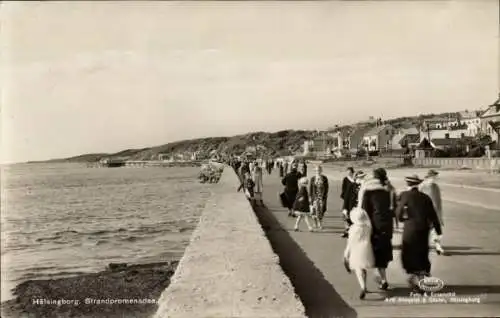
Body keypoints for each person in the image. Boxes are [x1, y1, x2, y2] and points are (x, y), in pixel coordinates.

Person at [396, 175, 442, 291]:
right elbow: (433, 215)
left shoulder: (404, 195)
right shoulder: (425, 197)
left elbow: (399, 213)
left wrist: (402, 219)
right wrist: (438, 230)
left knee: (409, 252)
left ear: (407, 184)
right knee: (422, 253)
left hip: (410, 228)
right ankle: (421, 276)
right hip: (423, 229)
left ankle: (415, 277)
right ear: (418, 184)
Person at [359, 168, 394, 290]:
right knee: (383, 255)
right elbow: (392, 210)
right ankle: (383, 279)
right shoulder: (388, 191)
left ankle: (369, 282)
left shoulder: (368, 192)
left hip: (373, 227)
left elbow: (364, 212)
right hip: (387, 227)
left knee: (370, 253)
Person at [343, 205, 375, 299]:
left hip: (356, 249)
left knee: (358, 269)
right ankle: (365, 286)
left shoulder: (353, 228)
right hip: (366, 248)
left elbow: (350, 242)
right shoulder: (368, 227)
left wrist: (346, 254)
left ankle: (362, 287)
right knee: (364, 267)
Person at [419, 169, 444, 255]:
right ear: (429, 177)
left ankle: (438, 247)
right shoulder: (421, 186)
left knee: (435, 230)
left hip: (434, 212)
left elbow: (439, 201)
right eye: (433, 177)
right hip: (424, 213)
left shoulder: (436, 187)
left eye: (435, 177)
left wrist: (440, 216)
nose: (434, 178)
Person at [342, 170, 366, 238]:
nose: (362, 179)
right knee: (351, 222)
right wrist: (344, 208)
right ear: (356, 178)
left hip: (361, 208)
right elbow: (346, 198)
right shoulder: (351, 186)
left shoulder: (365, 187)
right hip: (352, 207)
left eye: (363, 177)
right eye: (360, 177)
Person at [309, 164, 329, 230]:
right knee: (314, 211)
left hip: (322, 197)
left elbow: (326, 188)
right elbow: (310, 188)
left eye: (319, 170)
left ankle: (320, 223)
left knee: (321, 210)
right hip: (314, 197)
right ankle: (315, 223)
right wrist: (310, 197)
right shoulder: (313, 178)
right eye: (317, 170)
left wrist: (325, 196)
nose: (318, 171)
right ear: (315, 171)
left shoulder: (324, 178)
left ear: (321, 170)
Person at [341, 167, 355, 235]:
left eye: (350, 172)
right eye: (347, 172)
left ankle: (351, 229)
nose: (348, 173)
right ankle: (346, 229)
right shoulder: (345, 179)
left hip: (353, 199)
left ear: (352, 172)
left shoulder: (355, 179)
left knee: (352, 212)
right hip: (347, 198)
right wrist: (344, 197)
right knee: (346, 212)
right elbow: (343, 189)